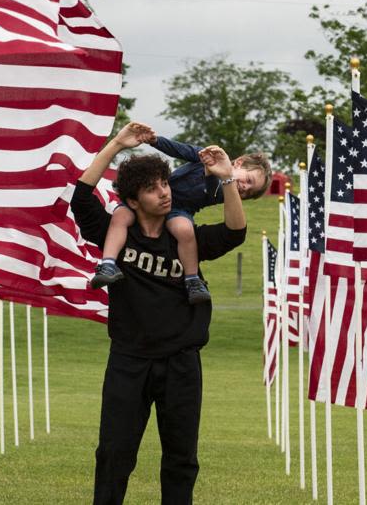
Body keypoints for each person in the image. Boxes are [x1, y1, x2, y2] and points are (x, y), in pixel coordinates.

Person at [72, 122, 248, 505]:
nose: (164, 192)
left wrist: (228, 179)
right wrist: (117, 143)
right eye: (152, 189)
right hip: (129, 360)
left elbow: (235, 232)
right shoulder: (116, 235)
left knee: (181, 459)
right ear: (133, 200)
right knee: (114, 454)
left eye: (164, 184)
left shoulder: (187, 238)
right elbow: (82, 197)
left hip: (181, 363)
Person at [90, 123, 270, 305]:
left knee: (185, 230)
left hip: (179, 210)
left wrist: (213, 175)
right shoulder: (208, 156)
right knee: (121, 215)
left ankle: (192, 280)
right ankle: (108, 264)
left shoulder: (226, 188)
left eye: (249, 192)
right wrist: (155, 141)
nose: (245, 187)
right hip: (157, 194)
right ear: (238, 163)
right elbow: (181, 150)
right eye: (248, 180)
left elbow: (211, 193)